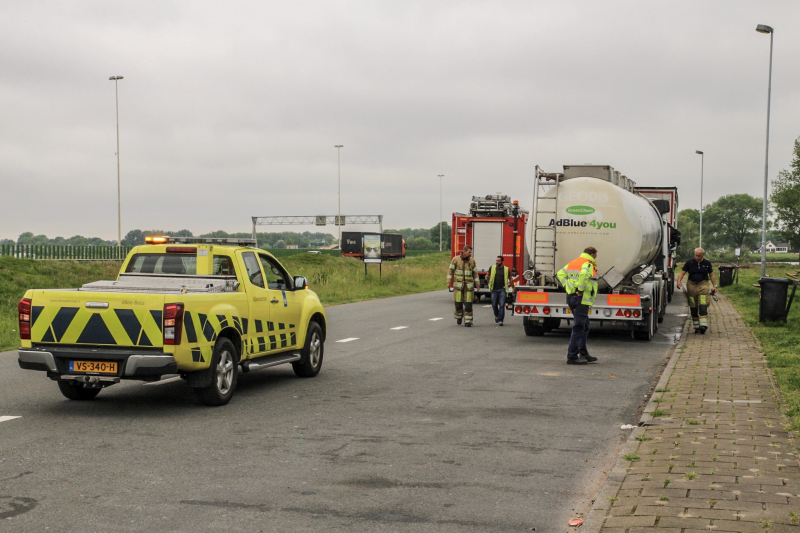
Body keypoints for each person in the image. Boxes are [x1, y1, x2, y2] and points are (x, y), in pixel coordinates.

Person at [556, 246, 599, 365]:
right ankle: (572, 356)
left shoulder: (573, 262)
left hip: (572, 297)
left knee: (585, 326)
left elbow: (560, 274)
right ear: (592, 254)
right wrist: (579, 289)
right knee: (579, 327)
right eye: (595, 255)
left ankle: (583, 353)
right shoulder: (587, 263)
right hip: (582, 299)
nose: (596, 257)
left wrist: (568, 287)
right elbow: (584, 274)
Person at [676, 247, 717, 334]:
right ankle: (696, 326)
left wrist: (715, 286)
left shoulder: (707, 263)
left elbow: (712, 275)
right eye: (696, 255)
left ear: (703, 255)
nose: (697, 257)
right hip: (691, 285)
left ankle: (703, 325)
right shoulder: (689, 262)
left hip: (703, 284)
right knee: (693, 305)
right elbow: (682, 272)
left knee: (703, 303)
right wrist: (678, 281)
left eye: (699, 255)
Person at [447, 245, 479, 327]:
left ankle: (468, 321)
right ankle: (459, 317)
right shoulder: (456, 259)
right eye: (469, 252)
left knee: (468, 305)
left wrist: (477, 284)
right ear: (464, 251)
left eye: (471, 252)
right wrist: (448, 282)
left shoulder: (472, 261)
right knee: (458, 304)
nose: (470, 254)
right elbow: (450, 271)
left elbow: (475, 274)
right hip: (458, 287)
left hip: (469, 287)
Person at [487, 255, 512, 326]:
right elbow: (488, 275)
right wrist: (488, 282)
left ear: (502, 261)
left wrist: (513, 288)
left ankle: (500, 320)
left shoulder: (506, 269)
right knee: (494, 304)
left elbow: (510, 278)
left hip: (502, 289)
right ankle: (497, 316)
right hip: (494, 289)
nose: (497, 262)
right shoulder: (492, 267)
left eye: (498, 261)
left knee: (501, 305)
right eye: (496, 261)